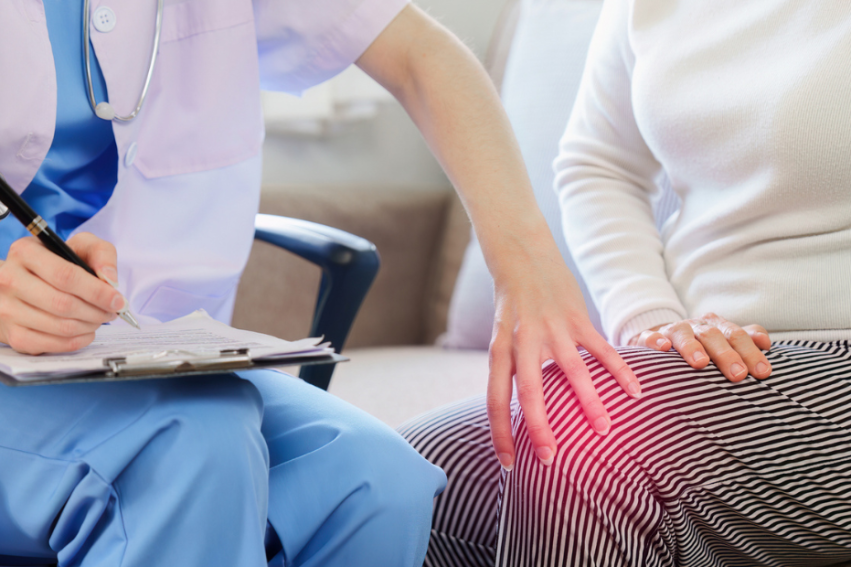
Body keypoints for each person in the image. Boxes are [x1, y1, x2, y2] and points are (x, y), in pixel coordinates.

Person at [0, 0, 626, 565]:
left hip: (141, 358)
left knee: (374, 482)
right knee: (189, 446)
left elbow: (419, 55)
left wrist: (529, 270)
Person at [401, 0, 851, 565]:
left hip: (837, 347)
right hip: (701, 350)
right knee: (394, 474)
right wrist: (653, 321)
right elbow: (598, 163)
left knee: (579, 436)